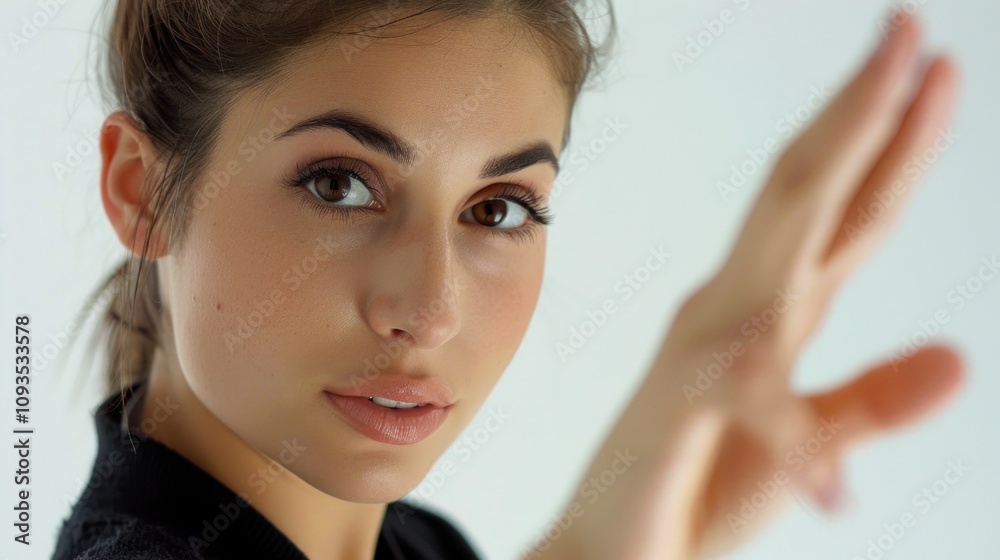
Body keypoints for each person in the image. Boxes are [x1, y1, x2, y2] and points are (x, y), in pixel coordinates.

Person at [53, 1, 964, 558]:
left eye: (498, 210)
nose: (431, 310)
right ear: (143, 189)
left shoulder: (424, 545)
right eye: (340, 185)